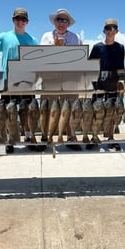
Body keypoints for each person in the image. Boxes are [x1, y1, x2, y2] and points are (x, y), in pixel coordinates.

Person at [0, 7, 38, 150]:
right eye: (18, 19)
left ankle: (28, 137)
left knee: (27, 112)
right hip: (8, 81)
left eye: (23, 19)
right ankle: (9, 140)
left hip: (27, 82)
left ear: (27, 22)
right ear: (13, 20)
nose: (20, 21)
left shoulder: (33, 40)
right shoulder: (4, 36)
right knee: (7, 112)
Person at [40, 8, 82, 150]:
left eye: (64, 20)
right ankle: (46, 136)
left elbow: (77, 58)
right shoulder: (46, 36)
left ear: (68, 23)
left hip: (70, 79)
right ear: (54, 21)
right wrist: (55, 48)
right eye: (59, 19)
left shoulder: (75, 38)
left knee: (70, 108)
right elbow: (41, 57)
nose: (61, 23)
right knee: (47, 107)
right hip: (50, 78)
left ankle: (70, 136)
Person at [88, 18, 125, 151]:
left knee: (112, 111)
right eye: (108, 28)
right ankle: (94, 136)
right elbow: (90, 66)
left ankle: (110, 137)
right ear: (104, 31)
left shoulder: (120, 47)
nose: (110, 31)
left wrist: (122, 82)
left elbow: (121, 66)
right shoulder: (97, 47)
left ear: (117, 31)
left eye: (113, 28)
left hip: (113, 83)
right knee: (95, 111)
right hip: (98, 83)